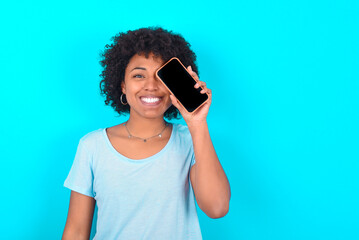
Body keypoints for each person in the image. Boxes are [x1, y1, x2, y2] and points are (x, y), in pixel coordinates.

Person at [62, 27, 231, 240]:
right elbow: (76, 232)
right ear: (122, 85)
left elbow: (217, 208)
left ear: (175, 88)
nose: (151, 86)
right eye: (138, 75)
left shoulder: (192, 140)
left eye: (161, 77)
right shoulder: (92, 146)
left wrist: (198, 123)